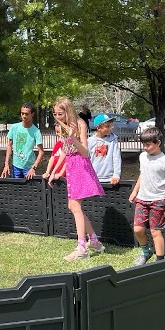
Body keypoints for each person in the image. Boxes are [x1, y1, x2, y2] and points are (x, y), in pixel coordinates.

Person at [53, 97, 105, 261]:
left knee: (75, 206)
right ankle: (94, 241)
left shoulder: (80, 124)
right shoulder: (62, 127)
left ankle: (82, 247)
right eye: (55, 113)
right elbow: (64, 150)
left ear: (68, 111)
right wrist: (55, 170)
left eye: (60, 113)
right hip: (71, 166)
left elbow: (85, 152)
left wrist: (73, 137)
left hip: (81, 166)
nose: (57, 116)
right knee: (73, 206)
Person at [129, 127, 165, 266]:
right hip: (142, 199)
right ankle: (146, 251)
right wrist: (135, 191)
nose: (145, 148)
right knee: (138, 229)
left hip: (158, 201)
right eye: (143, 145)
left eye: (148, 145)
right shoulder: (142, 157)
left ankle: (160, 261)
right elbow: (142, 174)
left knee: (155, 231)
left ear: (158, 143)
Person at [1, 103, 43, 179]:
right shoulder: (14, 127)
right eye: (22, 113)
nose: (24, 116)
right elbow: (9, 146)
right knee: (16, 189)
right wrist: (6, 164)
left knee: (29, 189)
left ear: (32, 114)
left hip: (29, 167)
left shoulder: (36, 131)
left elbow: (41, 152)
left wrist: (33, 168)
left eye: (27, 114)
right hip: (16, 166)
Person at [89, 114, 122, 185]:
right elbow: (87, 159)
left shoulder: (113, 140)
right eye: (107, 126)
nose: (111, 128)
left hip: (110, 179)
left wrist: (116, 175)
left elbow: (116, 158)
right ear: (98, 128)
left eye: (111, 126)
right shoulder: (90, 141)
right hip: (94, 179)